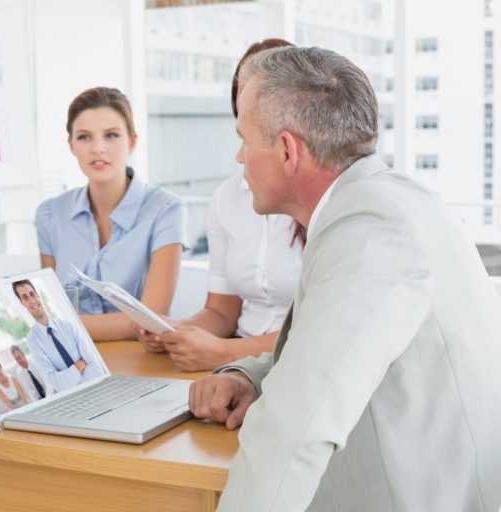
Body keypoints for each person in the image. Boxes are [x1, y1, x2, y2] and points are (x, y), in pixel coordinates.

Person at [188, 46, 501, 511]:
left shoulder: (372, 231)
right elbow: (341, 349)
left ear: (287, 151)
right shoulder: (386, 202)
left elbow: (296, 429)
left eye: (244, 139)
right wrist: (253, 376)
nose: (238, 157)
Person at [135, 38, 302, 372]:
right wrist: (176, 332)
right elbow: (222, 313)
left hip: (294, 364)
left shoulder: (315, 199)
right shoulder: (227, 198)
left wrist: (225, 353)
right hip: (237, 363)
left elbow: (317, 333)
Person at [35, 87, 187, 341]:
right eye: (84, 137)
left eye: (112, 135)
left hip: (140, 362)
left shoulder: (165, 209)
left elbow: (151, 318)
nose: (98, 148)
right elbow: (49, 308)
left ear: (132, 141)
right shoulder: (50, 214)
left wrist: (59, 325)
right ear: (71, 145)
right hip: (72, 361)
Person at [12, 279, 104, 392]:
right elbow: (57, 384)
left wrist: (72, 381)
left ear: (38, 295)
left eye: (32, 294)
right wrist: (80, 364)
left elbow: (95, 365)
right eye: (25, 297)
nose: (31, 300)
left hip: (98, 388)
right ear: (22, 303)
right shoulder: (33, 341)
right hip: (73, 399)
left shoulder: (68, 326)